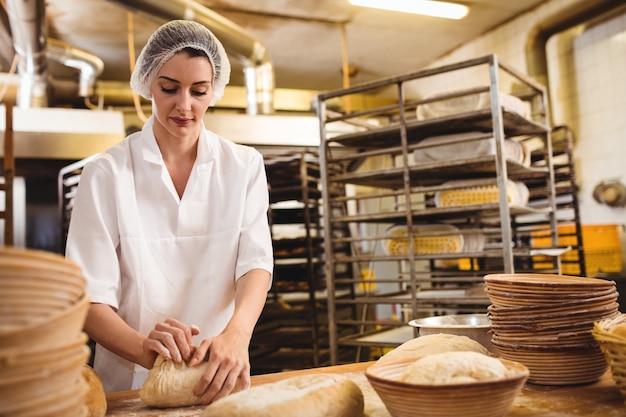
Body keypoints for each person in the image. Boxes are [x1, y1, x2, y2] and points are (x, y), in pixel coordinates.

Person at [65, 20, 274, 404]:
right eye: (169, 88)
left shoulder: (243, 166)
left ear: (215, 91)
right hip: (129, 384)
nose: (184, 105)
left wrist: (236, 335)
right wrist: (150, 351)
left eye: (199, 91)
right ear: (147, 84)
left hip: (220, 374)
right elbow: (88, 299)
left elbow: (255, 264)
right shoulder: (107, 173)